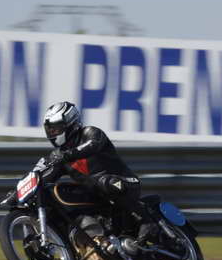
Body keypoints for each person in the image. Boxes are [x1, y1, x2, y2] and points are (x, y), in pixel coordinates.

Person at [40, 101, 157, 242]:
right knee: (60, 194)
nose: (53, 133)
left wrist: (67, 155)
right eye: (50, 130)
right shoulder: (59, 155)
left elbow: (92, 145)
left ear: (70, 123)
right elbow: (45, 176)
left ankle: (146, 221)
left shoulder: (91, 133)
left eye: (56, 128)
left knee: (105, 182)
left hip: (125, 183)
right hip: (99, 197)